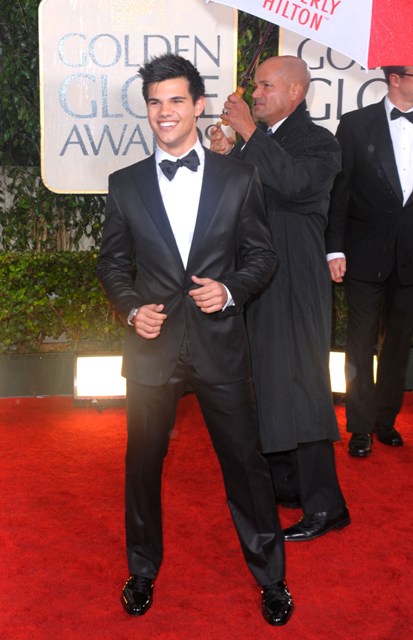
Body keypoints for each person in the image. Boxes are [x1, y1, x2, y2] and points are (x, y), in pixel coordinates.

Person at [97, 54, 293, 626]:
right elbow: (112, 263)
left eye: (176, 100)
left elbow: (262, 256)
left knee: (245, 465)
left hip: (219, 344)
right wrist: (132, 309)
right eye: (155, 102)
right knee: (142, 464)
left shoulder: (239, 177)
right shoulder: (125, 183)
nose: (165, 112)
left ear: (199, 105)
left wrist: (229, 290)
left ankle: (271, 576)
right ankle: (141, 567)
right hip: (152, 348)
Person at [210, 55, 349, 542]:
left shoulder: (320, 142)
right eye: (256, 86)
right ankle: (286, 485)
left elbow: (293, 184)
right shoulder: (263, 140)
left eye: (267, 86)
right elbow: (240, 200)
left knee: (302, 384)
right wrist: (226, 154)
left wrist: (248, 134)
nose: (257, 94)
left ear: (295, 92)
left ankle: (326, 505)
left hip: (296, 277)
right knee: (265, 383)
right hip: (257, 275)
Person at [326, 65, 413, 458]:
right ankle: (359, 426)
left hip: (410, 255)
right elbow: (339, 190)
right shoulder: (356, 124)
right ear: (395, 79)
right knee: (360, 343)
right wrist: (335, 248)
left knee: (398, 343)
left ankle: (385, 419)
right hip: (363, 253)